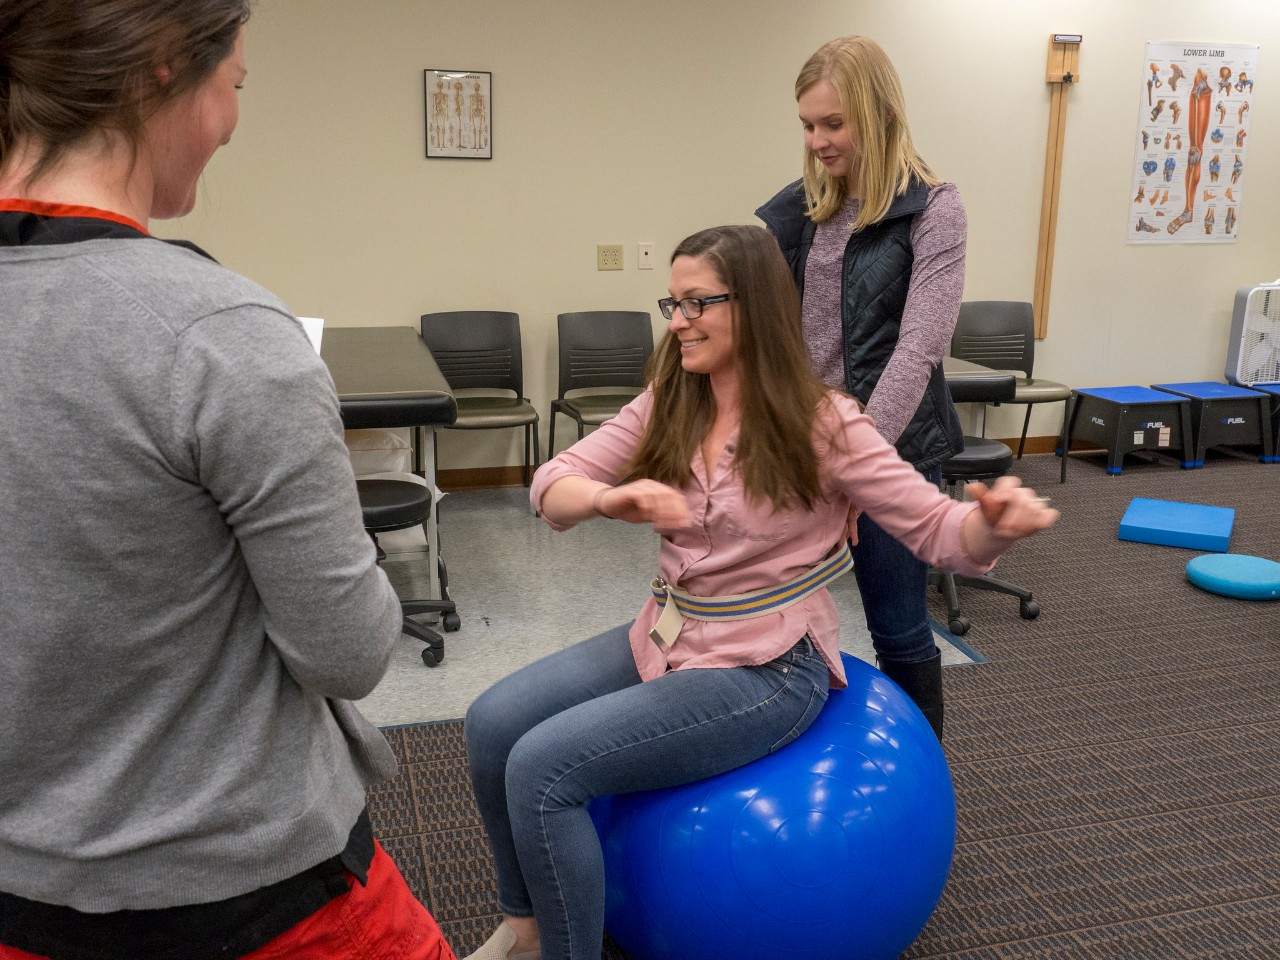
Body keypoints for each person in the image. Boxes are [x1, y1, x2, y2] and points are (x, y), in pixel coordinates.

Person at [463, 224, 1058, 960]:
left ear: (755, 307)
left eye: (696, 303)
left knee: (541, 768)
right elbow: (551, 484)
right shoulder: (671, 400)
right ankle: (525, 927)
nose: (677, 323)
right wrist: (603, 501)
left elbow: (937, 530)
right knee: (492, 722)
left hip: (767, 667)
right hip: (671, 632)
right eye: (671, 304)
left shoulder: (826, 423)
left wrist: (992, 527)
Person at [0, 3, 453, 958]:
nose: (233, 120)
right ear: (167, 66)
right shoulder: (219, 336)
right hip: (257, 899)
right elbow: (346, 652)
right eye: (235, 85)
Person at [757, 35, 971, 739]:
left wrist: (860, 467)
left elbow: (918, 350)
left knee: (901, 629)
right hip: (799, 446)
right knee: (768, 623)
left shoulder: (934, 209)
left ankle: (924, 783)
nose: (817, 141)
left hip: (892, 450)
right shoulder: (794, 213)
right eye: (808, 125)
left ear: (878, 115)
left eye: (833, 124)